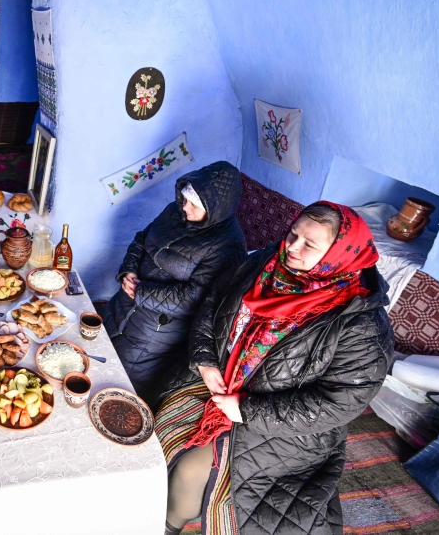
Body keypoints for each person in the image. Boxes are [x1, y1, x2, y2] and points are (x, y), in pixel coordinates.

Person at [153, 202, 393, 535]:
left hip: (276, 420)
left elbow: (340, 403)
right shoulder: (263, 264)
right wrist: (206, 360)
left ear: (341, 254)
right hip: (218, 383)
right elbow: (213, 305)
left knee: (194, 472)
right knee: (152, 433)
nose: (292, 247)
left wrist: (246, 410)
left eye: (310, 244)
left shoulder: (361, 324)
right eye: (293, 234)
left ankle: (168, 524)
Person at [104, 160, 247, 404]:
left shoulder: (227, 245)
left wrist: (141, 292)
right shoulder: (176, 210)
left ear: (215, 208)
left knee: (122, 385)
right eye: (185, 199)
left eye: (194, 204)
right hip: (124, 305)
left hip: (157, 330)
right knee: (100, 352)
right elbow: (142, 238)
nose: (185, 207)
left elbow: (195, 298)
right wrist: (127, 270)